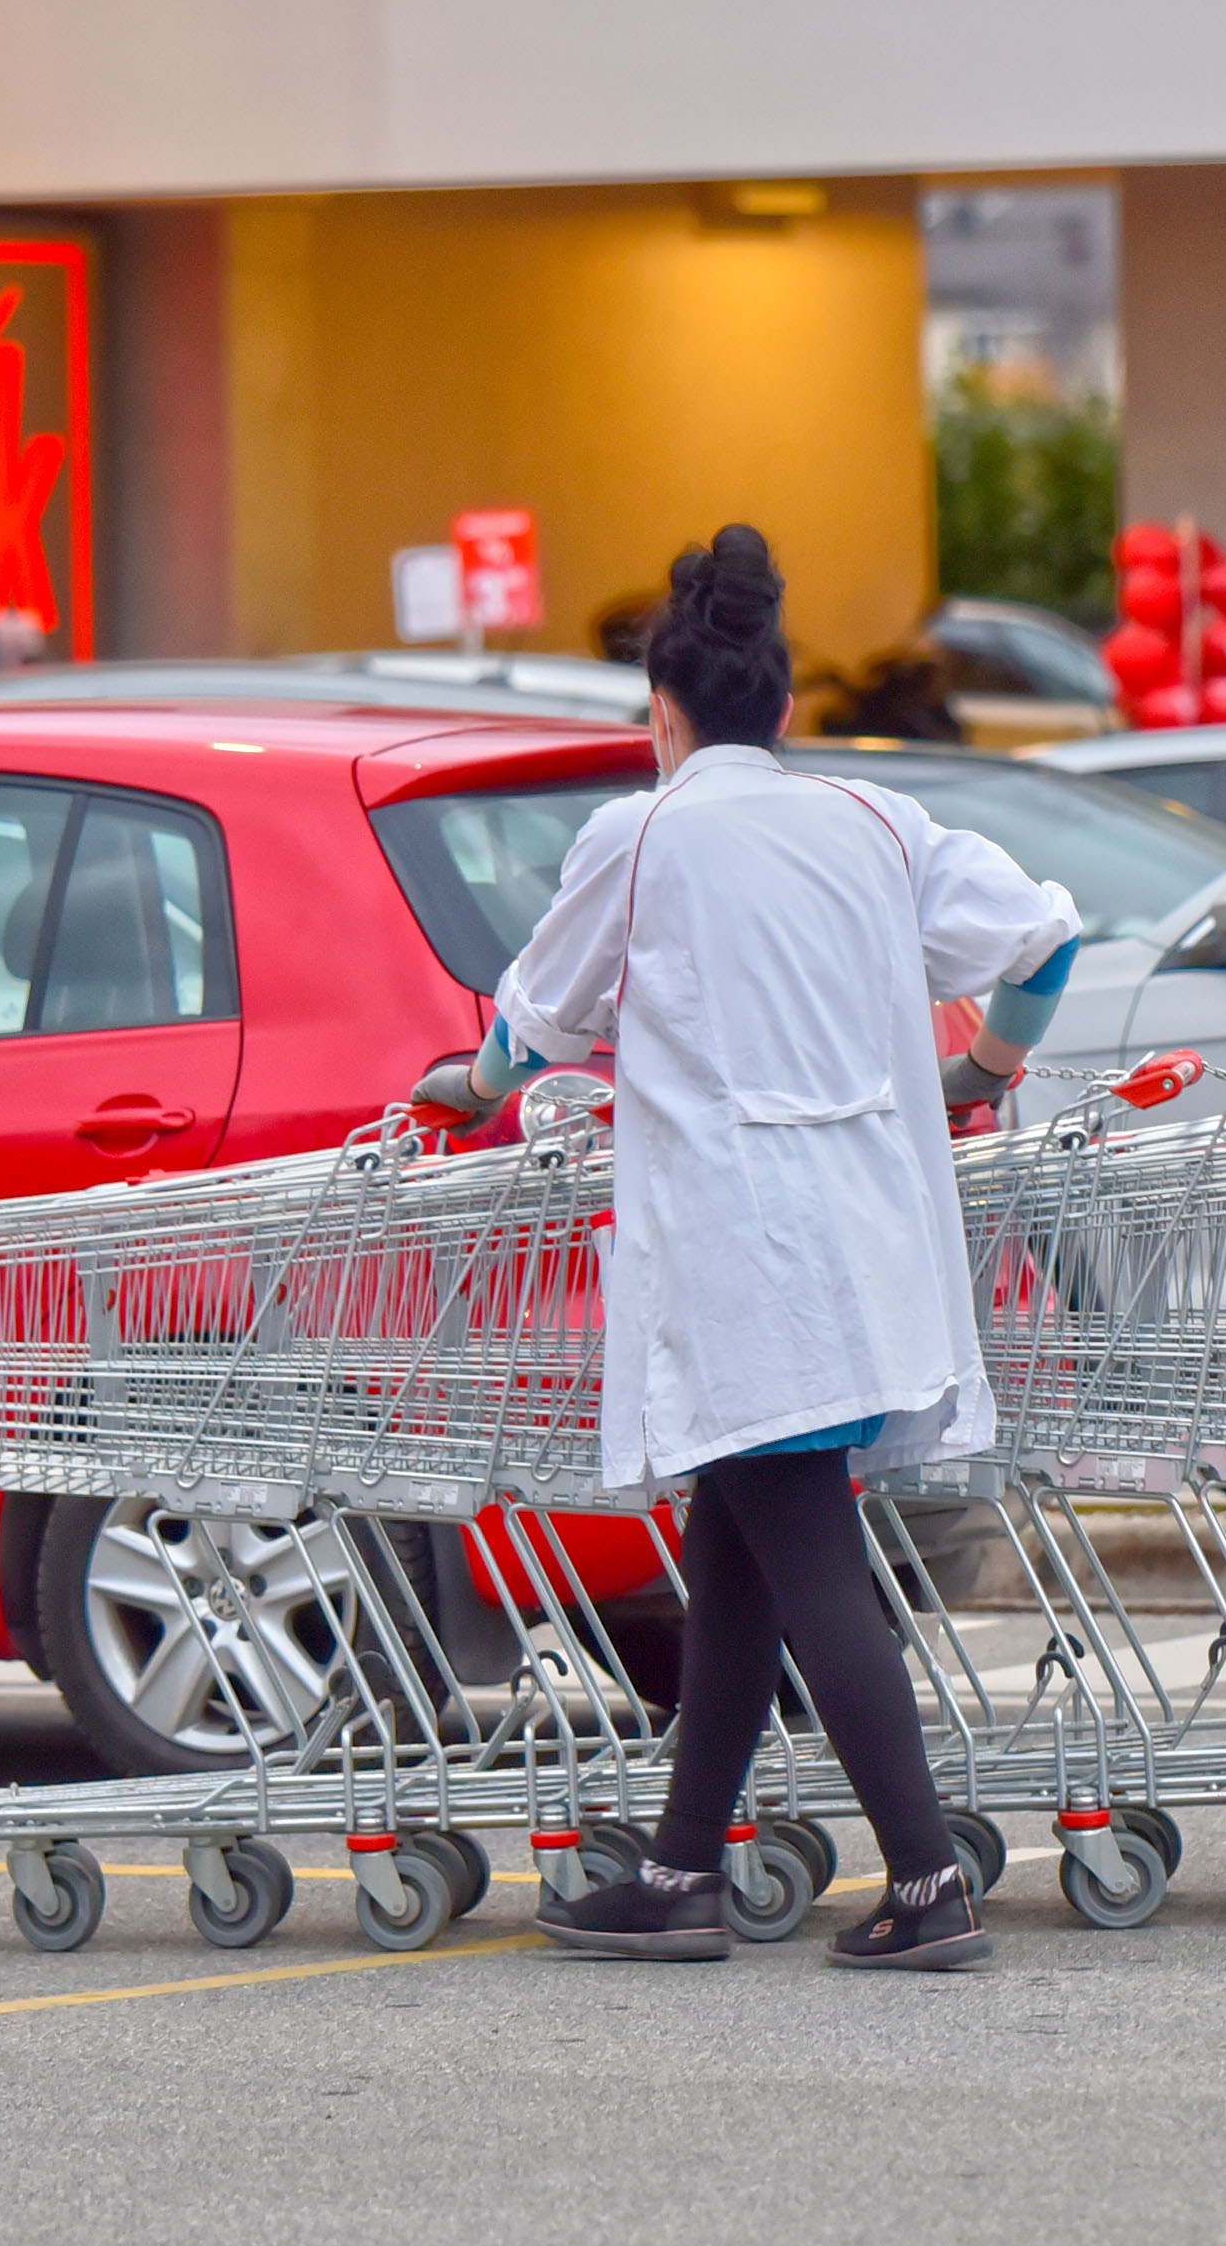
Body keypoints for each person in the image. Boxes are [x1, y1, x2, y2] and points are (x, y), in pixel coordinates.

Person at [416, 524, 1081, 1965]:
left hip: (743, 1257)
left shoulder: (644, 835)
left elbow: (526, 1029)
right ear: (781, 709)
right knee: (735, 1558)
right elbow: (1042, 948)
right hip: (877, 1239)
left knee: (807, 1554)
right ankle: (677, 1876)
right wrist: (985, 1074)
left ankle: (925, 1886)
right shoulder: (874, 821)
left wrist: (464, 1092)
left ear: (662, 710)